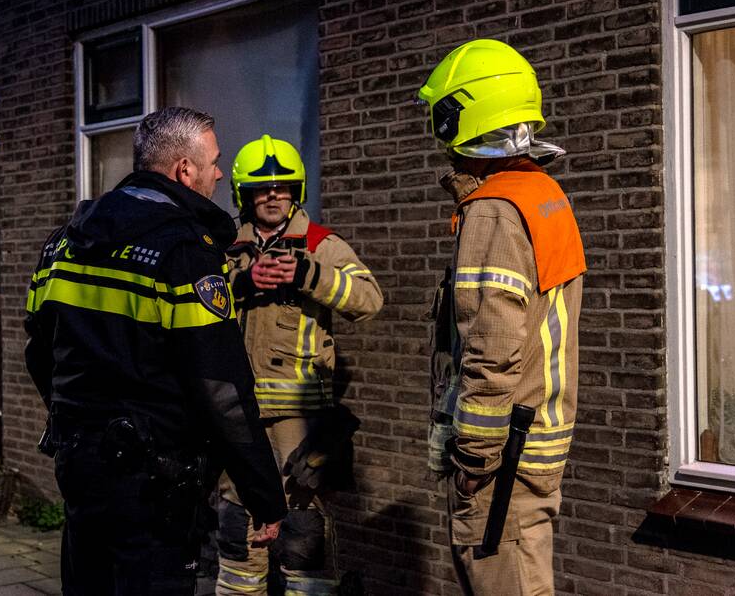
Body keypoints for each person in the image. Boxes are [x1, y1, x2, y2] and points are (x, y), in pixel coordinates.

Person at [24, 107, 286, 595]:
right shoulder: (185, 252)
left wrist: (79, 422)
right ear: (185, 170)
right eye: (214, 161)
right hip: (153, 483)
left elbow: (40, 353)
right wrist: (263, 496)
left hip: (79, 462)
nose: (220, 173)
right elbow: (222, 388)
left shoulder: (64, 243)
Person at [417, 39, 586, 596]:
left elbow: (492, 348)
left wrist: (475, 458)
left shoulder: (494, 209)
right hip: (536, 443)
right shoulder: (542, 193)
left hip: (503, 461)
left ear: (456, 119)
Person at [215, 135, 383, 596]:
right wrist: (242, 282)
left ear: (297, 191)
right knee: (235, 520)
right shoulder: (225, 245)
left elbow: (369, 301)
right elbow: (195, 302)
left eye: (282, 186)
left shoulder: (321, 244)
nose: (272, 194)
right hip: (236, 410)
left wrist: (311, 275)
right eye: (261, 187)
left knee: (302, 528)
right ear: (243, 194)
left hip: (298, 416)